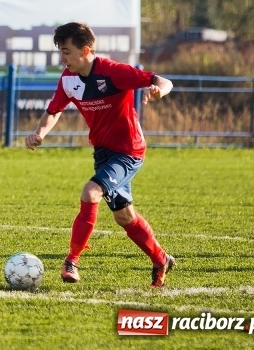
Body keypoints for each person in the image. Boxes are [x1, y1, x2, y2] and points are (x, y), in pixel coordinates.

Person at [24, 22, 176, 288]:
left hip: (129, 151)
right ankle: (161, 259)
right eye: (60, 51)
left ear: (85, 50)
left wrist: (159, 90)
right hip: (103, 153)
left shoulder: (113, 72)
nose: (63, 58)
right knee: (124, 216)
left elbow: (162, 80)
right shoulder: (68, 79)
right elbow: (54, 110)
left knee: (90, 192)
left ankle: (71, 261)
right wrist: (40, 134)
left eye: (67, 52)